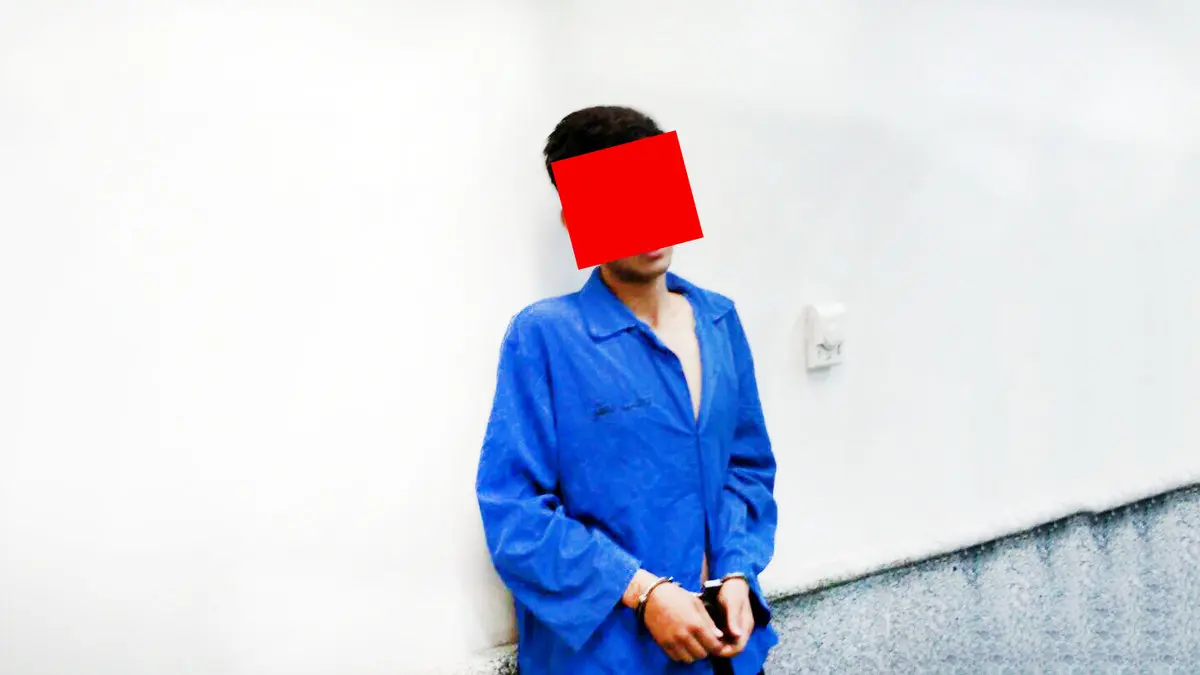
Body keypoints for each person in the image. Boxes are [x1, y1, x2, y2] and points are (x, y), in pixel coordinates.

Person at [476, 106, 778, 675]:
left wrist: (738, 571)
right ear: (576, 218)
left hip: (727, 651)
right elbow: (515, 515)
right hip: (608, 659)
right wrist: (643, 591)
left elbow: (745, 469)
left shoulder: (718, 321)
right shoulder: (545, 337)